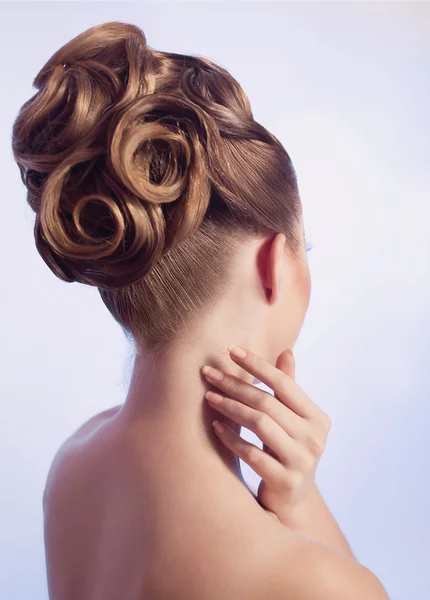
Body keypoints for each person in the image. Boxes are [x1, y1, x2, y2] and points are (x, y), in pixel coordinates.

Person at [12, 20, 390, 600]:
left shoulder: (75, 467)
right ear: (274, 265)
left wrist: (296, 495)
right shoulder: (313, 583)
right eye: (303, 248)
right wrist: (303, 509)